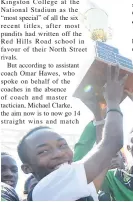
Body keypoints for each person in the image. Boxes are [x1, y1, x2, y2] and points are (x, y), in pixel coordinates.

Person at [17, 64, 126, 200]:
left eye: (63, 145)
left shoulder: (71, 186)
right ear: (27, 169)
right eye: (43, 151)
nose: (59, 154)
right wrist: (113, 101)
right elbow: (112, 143)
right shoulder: (43, 192)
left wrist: (98, 117)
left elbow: (102, 164)